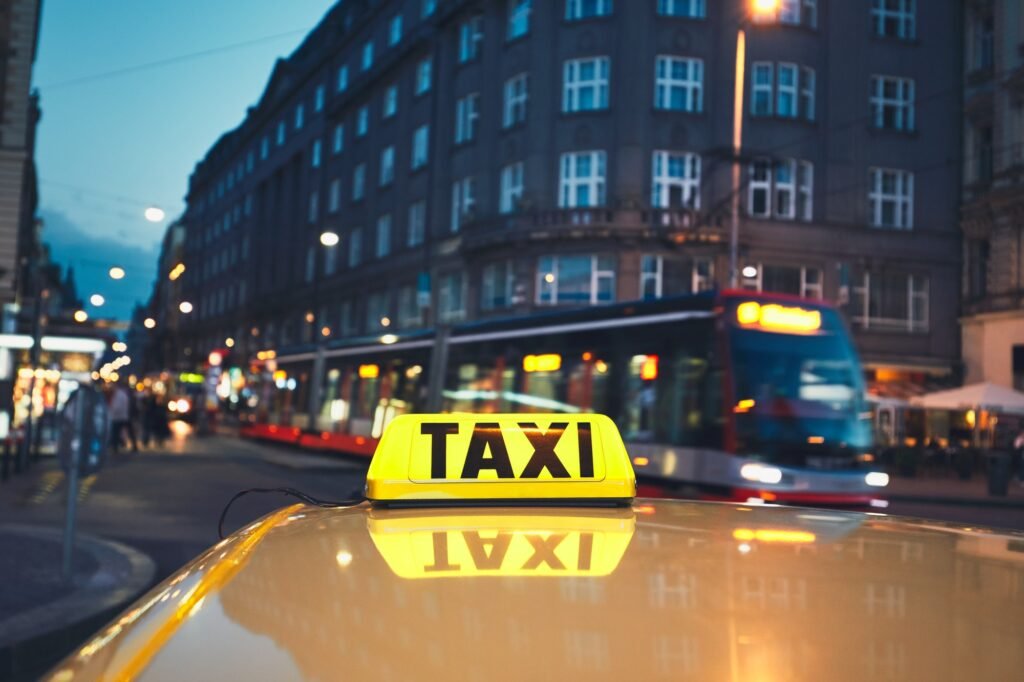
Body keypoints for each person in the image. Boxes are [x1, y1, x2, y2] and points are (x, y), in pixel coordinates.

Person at [108, 382, 138, 453]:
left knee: (116, 432)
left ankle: (115, 447)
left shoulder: (119, 395)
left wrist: (112, 412)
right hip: (123, 416)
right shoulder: (121, 394)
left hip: (119, 416)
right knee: (128, 431)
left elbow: (117, 406)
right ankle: (133, 446)